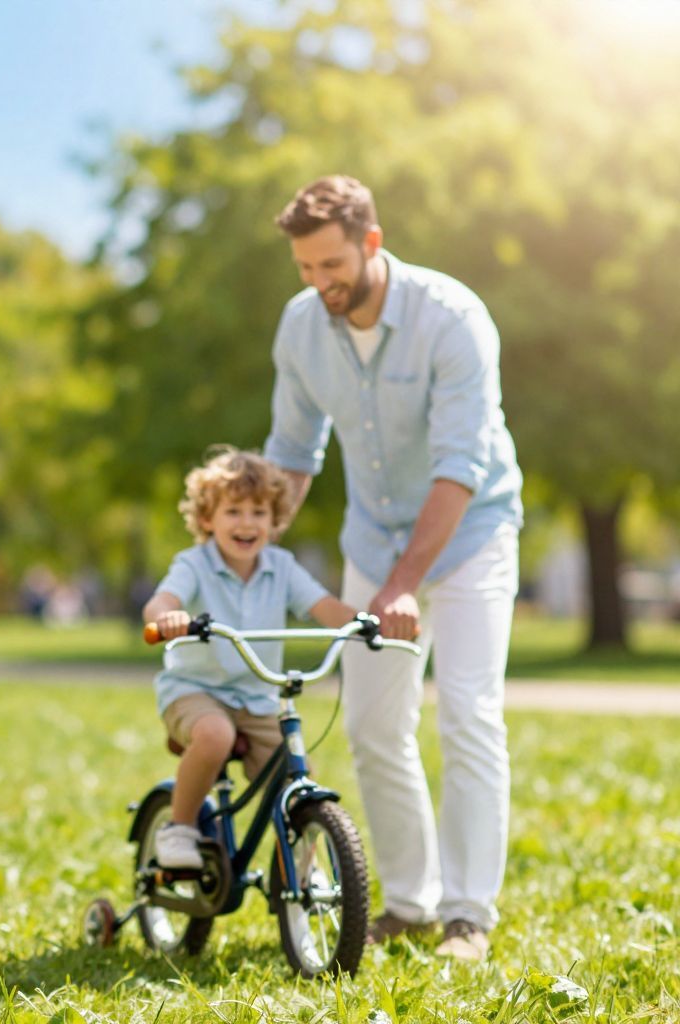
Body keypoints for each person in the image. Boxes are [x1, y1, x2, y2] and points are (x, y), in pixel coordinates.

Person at [264, 175, 523, 961]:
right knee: (376, 725)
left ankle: (468, 915)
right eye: (306, 269)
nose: (320, 284)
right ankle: (409, 902)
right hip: (374, 540)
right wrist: (249, 546)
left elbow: (460, 468)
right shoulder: (303, 326)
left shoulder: (453, 319)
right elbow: (292, 453)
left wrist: (406, 583)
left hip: (471, 531)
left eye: (332, 265)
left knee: (469, 713)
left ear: (371, 243)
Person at [142, 448, 359, 868]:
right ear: (207, 519)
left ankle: (298, 868)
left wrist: (366, 622)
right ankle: (180, 828)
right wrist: (166, 617)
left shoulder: (281, 566)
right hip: (195, 691)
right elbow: (162, 601)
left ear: (274, 521)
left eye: (259, 512)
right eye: (233, 511)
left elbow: (323, 606)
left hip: (257, 699)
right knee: (215, 735)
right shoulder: (194, 563)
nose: (247, 523)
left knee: (296, 771)